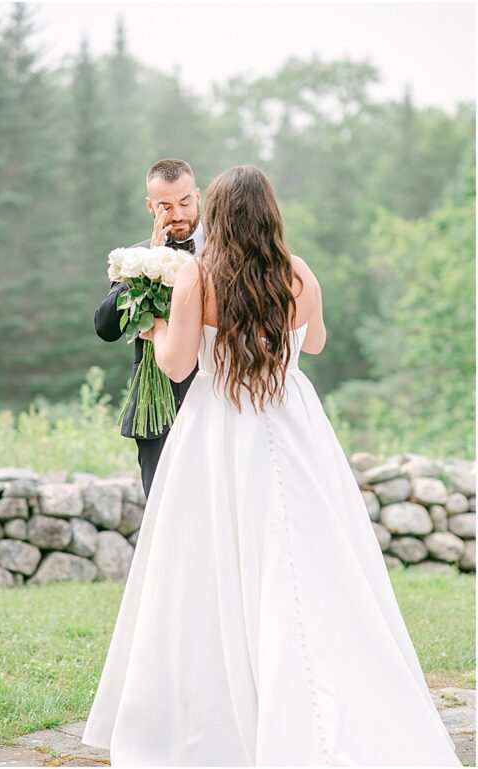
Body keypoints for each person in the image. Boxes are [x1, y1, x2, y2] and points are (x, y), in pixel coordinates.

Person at [82, 165, 460, 766]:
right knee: (306, 556)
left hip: (218, 431)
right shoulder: (299, 273)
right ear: (271, 212)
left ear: (219, 213)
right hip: (291, 422)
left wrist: (155, 325)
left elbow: (179, 367)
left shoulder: (199, 278)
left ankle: (224, 715)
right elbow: (314, 344)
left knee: (213, 565)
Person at [94, 158, 203, 499]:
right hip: (157, 413)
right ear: (149, 206)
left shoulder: (225, 251)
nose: (178, 214)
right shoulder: (135, 258)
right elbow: (106, 327)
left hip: (214, 403)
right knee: (162, 519)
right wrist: (144, 269)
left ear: (198, 196)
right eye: (165, 206)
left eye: (185, 202)